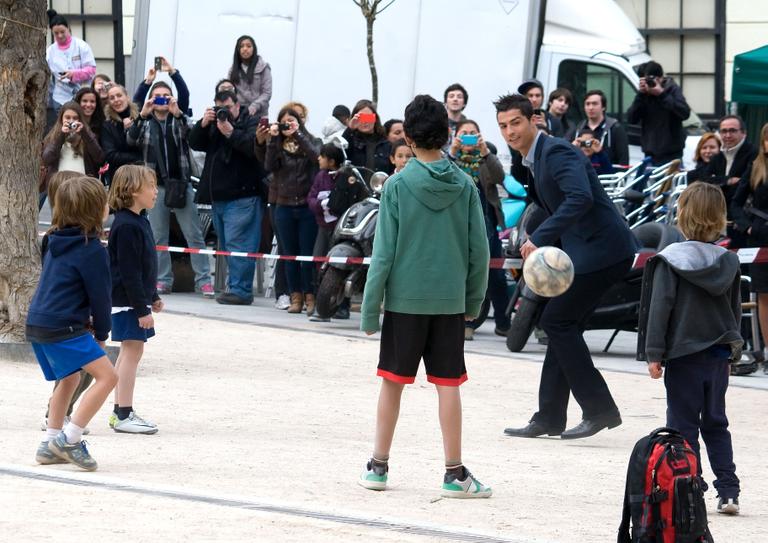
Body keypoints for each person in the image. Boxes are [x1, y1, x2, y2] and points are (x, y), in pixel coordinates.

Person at [358, 94, 491, 497]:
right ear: (447, 134)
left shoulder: (397, 185)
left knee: (392, 383)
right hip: (449, 303)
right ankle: (455, 473)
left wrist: (368, 311)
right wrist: (473, 302)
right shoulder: (466, 185)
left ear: (409, 139)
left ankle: (378, 467)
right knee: (448, 385)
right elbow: (479, 252)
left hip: (404, 303)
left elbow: (383, 255)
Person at [497, 94, 637, 440]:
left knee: (556, 321)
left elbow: (580, 197)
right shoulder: (533, 158)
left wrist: (540, 237)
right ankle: (549, 416)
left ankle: (599, 409)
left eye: (516, 122)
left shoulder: (556, 151)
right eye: (503, 126)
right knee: (563, 324)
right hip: (585, 251)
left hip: (602, 250)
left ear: (534, 120)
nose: (510, 131)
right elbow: (550, 202)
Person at [638, 182, 742, 515]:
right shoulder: (728, 261)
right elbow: (735, 309)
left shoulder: (670, 260)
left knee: (683, 426)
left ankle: (690, 489)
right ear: (719, 217)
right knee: (716, 422)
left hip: (683, 356)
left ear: (683, 214)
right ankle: (728, 491)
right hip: (719, 355)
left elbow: (661, 308)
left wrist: (654, 353)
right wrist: (733, 348)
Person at [27, 176, 118, 471]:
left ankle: (50, 443)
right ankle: (69, 437)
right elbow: (101, 297)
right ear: (95, 209)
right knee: (108, 377)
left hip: (38, 321)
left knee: (69, 378)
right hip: (64, 325)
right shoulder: (94, 250)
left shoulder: (51, 239)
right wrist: (102, 333)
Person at [126, 81, 215, 296]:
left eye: (166, 96)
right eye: (157, 96)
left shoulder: (178, 119)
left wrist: (179, 113)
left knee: (194, 234)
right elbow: (131, 139)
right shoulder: (146, 122)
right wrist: (142, 115)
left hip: (182, 184)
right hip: (154, 186)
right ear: (151, 99)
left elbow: (193, 136)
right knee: (158, 236)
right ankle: (162, 280)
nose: (162, 100)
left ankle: (204, 280)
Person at [189, 90, 265, 305]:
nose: (224, 111)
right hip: (218, 198)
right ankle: (235, 287)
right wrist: (203, 124)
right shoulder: (213, 125)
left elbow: (254, 148)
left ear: (237, 106)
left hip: (243, 196)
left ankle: (240, 291)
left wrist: (231, 132)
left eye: (228, 106)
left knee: (239, 245)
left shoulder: (251, 122)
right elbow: (195, 143)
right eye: (219, 106)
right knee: (228, 246)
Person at [106, 165, 163, 434]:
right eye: (150, 186)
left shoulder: (140, 220)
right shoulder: (126, 225)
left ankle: (120, 410)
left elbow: (144, 266)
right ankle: (124, 413)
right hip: (128, 301)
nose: (155, 191)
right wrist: (142, 308)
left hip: (136, 299)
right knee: (132, 351)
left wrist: (153, 296)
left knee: (130, 352)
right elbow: (128, 272)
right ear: (132, 190)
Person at [37, 172, 95, 434]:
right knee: (77, 371)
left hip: (69, 313)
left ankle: (59, 417)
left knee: (78, 371)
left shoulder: (59, 238)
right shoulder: (60, 239)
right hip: (67, 316)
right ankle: (58, 419)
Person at [448, 119, 510, 340]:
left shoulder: (486, 158)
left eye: (473, 133)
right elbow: (442, 176)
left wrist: (485, 152)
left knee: (495, 274)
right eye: (464, 133)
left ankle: (504, 322)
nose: (468, 137)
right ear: (456, 136)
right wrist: (452, 153)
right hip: (456, 221)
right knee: (463, 273)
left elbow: (500, 177)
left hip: (486, 221)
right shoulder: (450, 159)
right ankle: (467, 323)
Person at [264, 106, 322, 314]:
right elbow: (269, 166)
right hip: (283, 205)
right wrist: (273, 140)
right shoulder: (278, 144)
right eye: (284, 122)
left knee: (307, 256)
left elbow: (317, 157)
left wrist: (298, 134)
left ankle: (310, 295)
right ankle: (294, 296)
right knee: (288, 255)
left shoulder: (311, 140)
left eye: (292, 121)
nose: (287, 125)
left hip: (306, 206)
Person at [731, 122, 768, 372]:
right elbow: (736, 203)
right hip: (761, 238)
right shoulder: (756, 167)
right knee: (764, 295)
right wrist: (748, 227)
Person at [307, 143, 345, 322]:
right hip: (323, 227)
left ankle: (341, 306)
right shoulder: (320, 176)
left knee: (340, 265)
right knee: (318, 260)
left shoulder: (345, 176)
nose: (318, 159)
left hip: (340, 230)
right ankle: (320, 303)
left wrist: (333, 204)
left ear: (331, 161)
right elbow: (312, 198)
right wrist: (322, 205)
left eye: (322, 156)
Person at [41, 102, 105, 208]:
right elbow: (46, 159)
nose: (71, 121)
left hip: (83, 188)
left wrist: (84, 133)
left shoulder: (88, 135)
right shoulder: (53, 136)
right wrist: (61, 136)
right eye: (68, 117)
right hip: (59, 188)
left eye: (75, 118)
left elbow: (99, 158)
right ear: (61, 118)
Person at [627, 62, 691, 166]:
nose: (649, 83)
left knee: (672, 182)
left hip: (672, 155)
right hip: (650, 155)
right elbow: (631, 119)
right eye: (645, 80)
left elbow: (685, 113)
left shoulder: (672, 89)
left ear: (660, 78)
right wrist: (640, 95)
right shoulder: (644, 96)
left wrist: (661, 94)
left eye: (650, 80)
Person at [45, 9, 96, 127]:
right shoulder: (50, 51)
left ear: (68, 28)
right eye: (56, 33)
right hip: (60, 98)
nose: (60, 35)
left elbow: (91, 70)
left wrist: (74, 74)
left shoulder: (81, 46)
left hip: (82, 95)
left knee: (81, 128)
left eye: (62, 31)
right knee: (64, 129)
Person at [703, 115, 758, 207]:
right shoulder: (718, 155)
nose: (727, 135)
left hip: (742, 210)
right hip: (718, 207)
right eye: (724, 131)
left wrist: (717, 180)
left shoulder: (753, 153)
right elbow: (703, 179)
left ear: (744, 133)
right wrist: (728, 180)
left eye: (732, 131)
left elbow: (745, 184)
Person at [568, 90, 629, 167]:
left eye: (595, 104)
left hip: (609, 176)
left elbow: (623, 160)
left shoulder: (615, 128)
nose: (590, 107)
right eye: (587, 104)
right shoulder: (578, 129)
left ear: (603, 107)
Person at [101, 84, 142, 184]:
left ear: (127, 97)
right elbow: (110, 155)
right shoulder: (107, 124)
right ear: (109, 102)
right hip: (119, 178)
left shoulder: (140, 117)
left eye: (119, 95)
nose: (116, 99)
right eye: (112, 98)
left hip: (141, 175)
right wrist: (139, 157)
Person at [342, 99, 393, 178]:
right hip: (355, 187)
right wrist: (350, 128)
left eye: (368, 117)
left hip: (380, 187)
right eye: (361, 118)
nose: (365, 122)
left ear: (375, 118)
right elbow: (340, 153)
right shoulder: (350, 139)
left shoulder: (385, 143)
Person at [228, 35, 272, 118]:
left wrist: (254, 106)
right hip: (239, 115)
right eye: (241, 46)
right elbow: (230, 92)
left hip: (259, 115)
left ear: (254, 49)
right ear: (238, 50)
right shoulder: (232, 70)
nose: (245, 49)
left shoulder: (264, 67)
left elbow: (267, 93)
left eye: (248, 46)